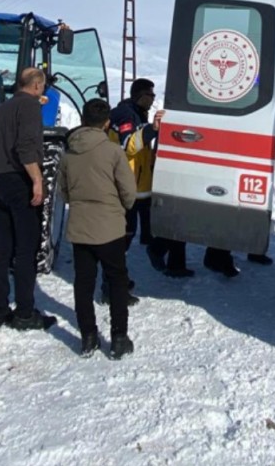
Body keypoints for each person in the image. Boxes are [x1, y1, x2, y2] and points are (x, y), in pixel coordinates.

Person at [57, 99, 138, 359]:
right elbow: (129, 191)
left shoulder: (69, 153)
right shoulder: (113, 152)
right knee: (116, 281)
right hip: (110, 226)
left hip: (80, 225)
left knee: (83, 283)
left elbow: (63, 191)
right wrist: (120, 208)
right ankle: (118, 338)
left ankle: (88, 337)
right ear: (106, 123)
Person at [0, 66, 56, 332]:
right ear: (36, 86)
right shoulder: (29, 108)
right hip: (20, 181)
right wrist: (36, 180)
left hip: (0, 181)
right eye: (43, 86)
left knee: (2, 248)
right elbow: (26, 147)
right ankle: (25, 313)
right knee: (26, 249)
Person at [109, 79, 195, 283]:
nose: (153, 99)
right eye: (150, 95)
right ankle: (113, 279)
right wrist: (152, 130)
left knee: (163, 223)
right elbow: (128, 144)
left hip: (142, 185)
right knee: (124, 236)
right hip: (128, 185)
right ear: (139, 95)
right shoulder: (125, 114)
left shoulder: (139, 113)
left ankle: (167, 258)